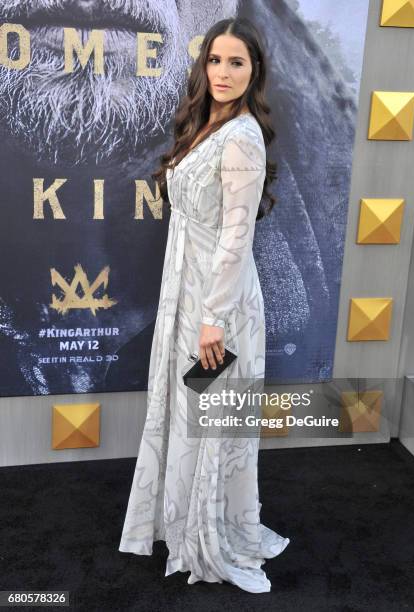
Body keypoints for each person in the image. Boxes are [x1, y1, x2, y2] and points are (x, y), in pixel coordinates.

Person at [119, 17, 290, 593]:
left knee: (209, 418)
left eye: (236, 62)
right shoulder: (208, 124)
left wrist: (213, 318)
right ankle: (185, 521)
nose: (223, 72)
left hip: (218, 305)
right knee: (195, 413)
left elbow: (238, 236)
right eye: (215, 60)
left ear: (254, 71)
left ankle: (211, 538)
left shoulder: (241, 136)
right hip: (189, 291)